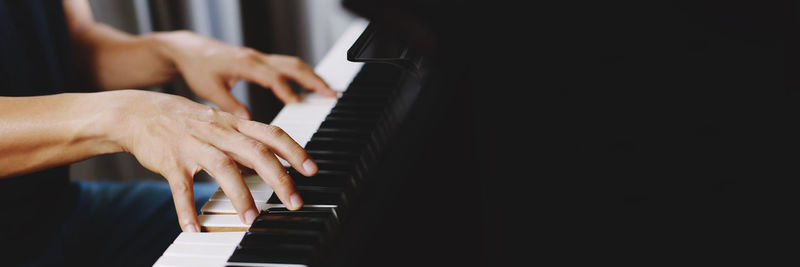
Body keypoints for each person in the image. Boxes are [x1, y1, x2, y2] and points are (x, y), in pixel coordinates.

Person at [0, 0, 337, 265]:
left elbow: (75, 47)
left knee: (300, 224)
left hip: (61, 215)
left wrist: (176, 51)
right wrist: (126, 116)